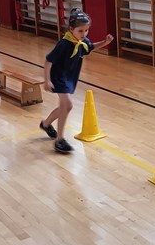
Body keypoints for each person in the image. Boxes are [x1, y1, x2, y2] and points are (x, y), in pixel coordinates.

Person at [41, 8, 113, 154]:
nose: (84, 34)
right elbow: (48, 60)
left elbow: (90, 48)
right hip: (58, 77)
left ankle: (46, 124)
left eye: (86, 30)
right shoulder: (64, 44)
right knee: (68, 105)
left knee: (64, 107)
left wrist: (105, 42)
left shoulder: (82, 42)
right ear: (71, 29)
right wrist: (47, 80)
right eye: (80, 31)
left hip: (68, 77)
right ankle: (59, 140)